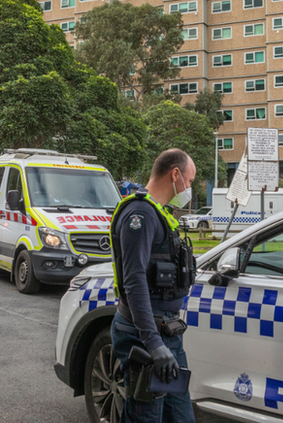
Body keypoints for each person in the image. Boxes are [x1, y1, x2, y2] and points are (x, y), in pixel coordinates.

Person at [109, 149, 197, 423]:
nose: (189, 188)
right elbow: (134, 281)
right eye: (190, 181)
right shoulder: (140, 215)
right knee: (145, 417)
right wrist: (154, 344)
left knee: (180, 417)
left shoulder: (159, 214)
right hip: (144, 336)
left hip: (164, 333)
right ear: (175, 174)